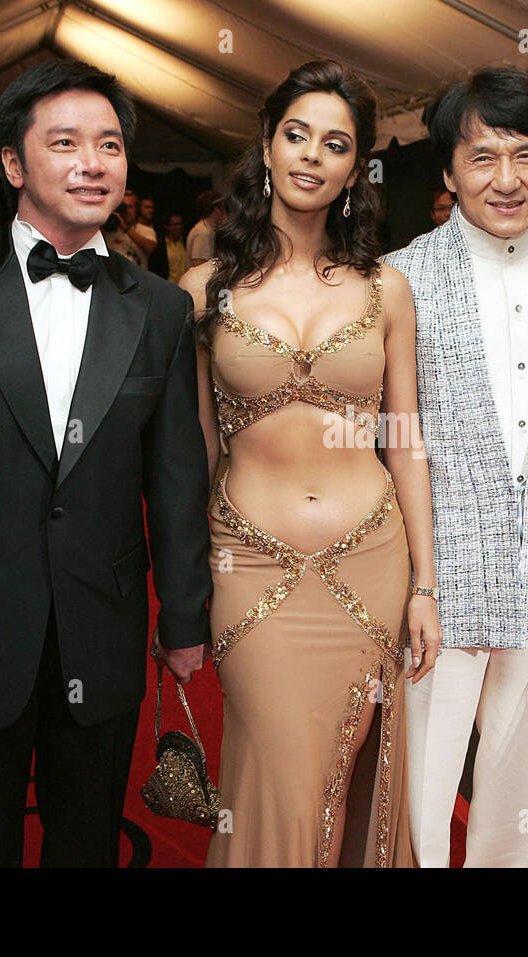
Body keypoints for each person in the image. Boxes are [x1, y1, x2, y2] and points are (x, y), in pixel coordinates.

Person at [0, 59, 212, 867]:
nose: (93, 163)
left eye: (110, 145)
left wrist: (187, 614)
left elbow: (175, 473)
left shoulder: (160, 308)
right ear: (15, 165)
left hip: (104, 624)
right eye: (65, 143)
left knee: (85, 841)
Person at [184, 59, 439, 868]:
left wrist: (426, 583)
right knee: (279, 779)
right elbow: (196, 449)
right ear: (266, 144)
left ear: (356, 166)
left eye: (334, 144)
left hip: (371, 561)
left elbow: (405, 440)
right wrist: (186, 589)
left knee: (351, 773)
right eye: (296, 134)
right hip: (249, 567)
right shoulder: (201, 291)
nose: (310, 156)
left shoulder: (384, 288)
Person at [383, 68, 528, 867]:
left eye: (527, 154)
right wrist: (419, 577)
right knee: (415, 795)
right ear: (448, 172)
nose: (506, 179)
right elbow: (392, 433)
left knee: (520, 805)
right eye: (482, 157)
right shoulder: (399, 277)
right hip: (435, 586)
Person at [185, 189, 223, 267]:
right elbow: (198, 263)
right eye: (223, 208)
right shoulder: (204, 232)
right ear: (216, 209)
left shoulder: (207, 230)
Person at [160, 211, 187, 283]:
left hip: (185, 287)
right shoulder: (161, 246)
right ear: (167, 226)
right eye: (175, 224)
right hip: (168, 288)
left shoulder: (185, 243)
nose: (179, 227)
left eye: (180, 224)